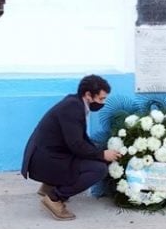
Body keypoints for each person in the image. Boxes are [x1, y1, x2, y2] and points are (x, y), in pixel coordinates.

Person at [21, 74, 121, 221]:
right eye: (101, 99)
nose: (103, 102)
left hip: (46, 156)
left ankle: (49, 185)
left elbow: (78, 140)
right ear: (88, 95)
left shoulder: (75, 103)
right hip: (44, 161)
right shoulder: (72, 108)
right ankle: (55, 198)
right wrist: (102, 155)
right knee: (98, 169)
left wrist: (99, 152)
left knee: (93, 159)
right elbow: (76, 145)